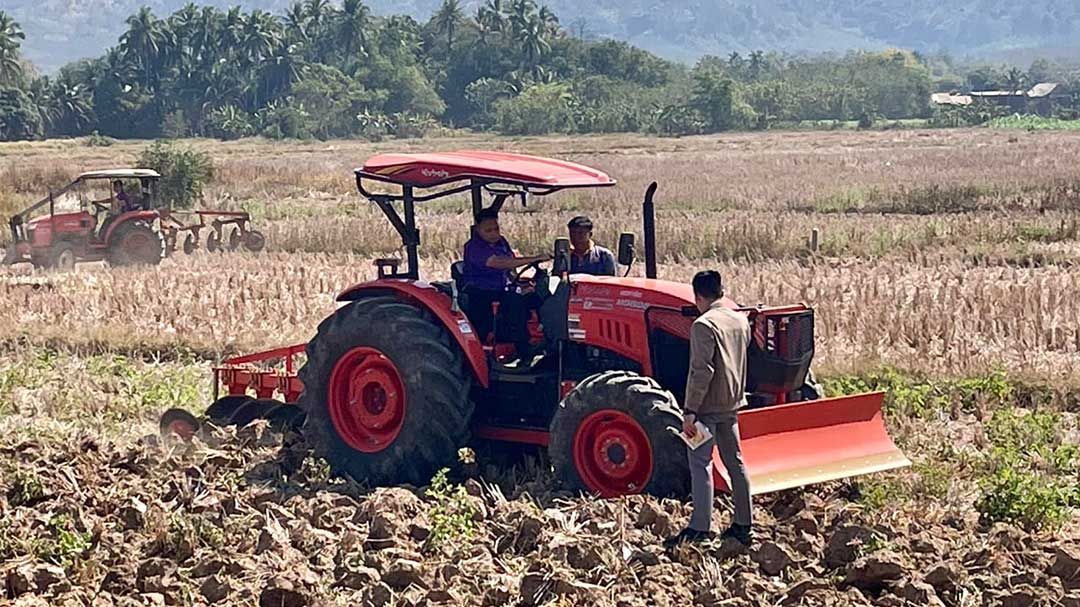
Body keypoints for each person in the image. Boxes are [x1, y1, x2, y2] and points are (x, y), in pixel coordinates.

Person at [665, 270, 753, 547]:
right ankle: (743, 522)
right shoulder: (740, 320)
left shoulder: (703, 325)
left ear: (699, 296)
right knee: (735, 462)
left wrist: (690, 409)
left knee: (700, 464)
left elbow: (701, 371)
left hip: (707, 406)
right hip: (733, 402)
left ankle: (700, 527)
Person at [461, 208, 551, 360]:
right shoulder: (474, 247)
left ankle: (548, 338)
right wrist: (533, 259)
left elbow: (511, 267)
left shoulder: (501, 242)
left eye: (496, 229)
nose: (494, 233)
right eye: (488, 230)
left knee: (537, 297)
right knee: (514, 301)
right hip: (481, 292)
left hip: (502, 288)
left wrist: (521, 284)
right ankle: (523, 347)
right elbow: (500, 263)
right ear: (478, 229)